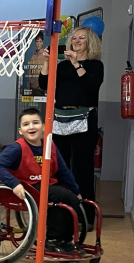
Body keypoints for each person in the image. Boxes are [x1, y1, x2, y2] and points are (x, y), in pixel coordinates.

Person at [0, 107, 82, 254]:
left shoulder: (49, 145)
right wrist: (14, 184)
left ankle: (63, 239)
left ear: (44, 127)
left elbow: (63, 170)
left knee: (69, 198)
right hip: (27, 187)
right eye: (26, 124)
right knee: (63, 196)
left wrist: (76, 191)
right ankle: (54, 239)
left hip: (46, 185)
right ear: (20, 130)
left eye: (35, 122)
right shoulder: (16, 148)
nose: (31, 127)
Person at [39, 26, 103, 218]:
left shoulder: (95, 65)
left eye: (81, 37)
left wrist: (76, 63)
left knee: (82, 168)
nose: (76, 40)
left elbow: (90, 87)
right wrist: (46, 62)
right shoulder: (62, 66)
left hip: (84, 119)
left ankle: (86, 215)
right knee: (61, 167)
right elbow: (44, 84)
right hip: (61, 119)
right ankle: (63, 214)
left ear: (89, 42)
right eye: (74, 38)